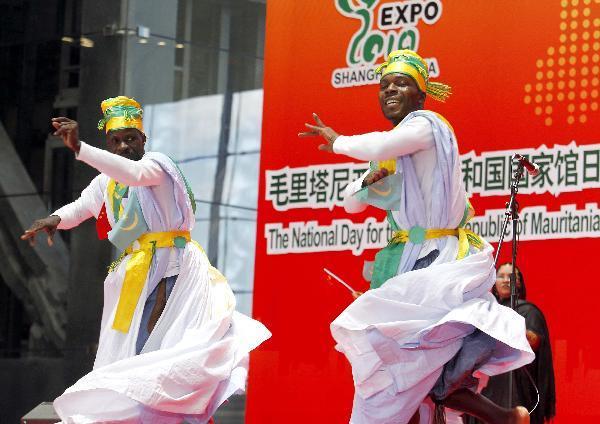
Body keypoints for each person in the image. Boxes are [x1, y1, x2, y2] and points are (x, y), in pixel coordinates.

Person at [300, 50, 534, 424]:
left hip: (439, 256)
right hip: (408, 259)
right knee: (408, 369)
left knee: (408, 360)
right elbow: (351, 205)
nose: (390, 89)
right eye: (384, 84)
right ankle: (499, 407)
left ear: (421, 95)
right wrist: (367, 181)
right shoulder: (397, 148)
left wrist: (338, 140)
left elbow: (375, 147)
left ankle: (491, 356)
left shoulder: (426, 126)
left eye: (401, 82)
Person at [21, 96, 271, 423]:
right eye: (116, 140)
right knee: (131, 357)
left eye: (131, 138)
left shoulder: (157, 166)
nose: (124, 145)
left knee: (166, 356)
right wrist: (55, 218)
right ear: (108, 143)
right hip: (136, 277)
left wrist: (80, 147)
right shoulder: (107, 182)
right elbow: (82, 207)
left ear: (144, 140)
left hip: (174, 271)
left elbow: (134, 175)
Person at [467, 263, 556, 424]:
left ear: (520, 283)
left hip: (517, 388)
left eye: (512, 277)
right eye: (501, 276)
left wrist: (506, 324)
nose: (506, 280)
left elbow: (534, 342)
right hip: (487, 386)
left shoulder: (529, 311)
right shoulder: (486, 311)